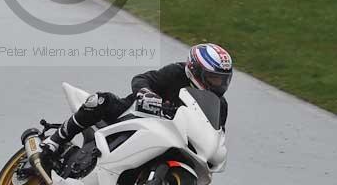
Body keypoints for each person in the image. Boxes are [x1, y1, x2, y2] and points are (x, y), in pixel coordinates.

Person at [42, 43, 233, 155]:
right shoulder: (176, 72)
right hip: (133, 113)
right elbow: (143, 79)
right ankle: (55, 140)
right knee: (100, 100)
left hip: (170, 138)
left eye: (223, 80)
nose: (218, 85)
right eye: (214, 78)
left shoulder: (219, 105)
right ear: (195, 70)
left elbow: (214, 133)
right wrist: (146, 93)